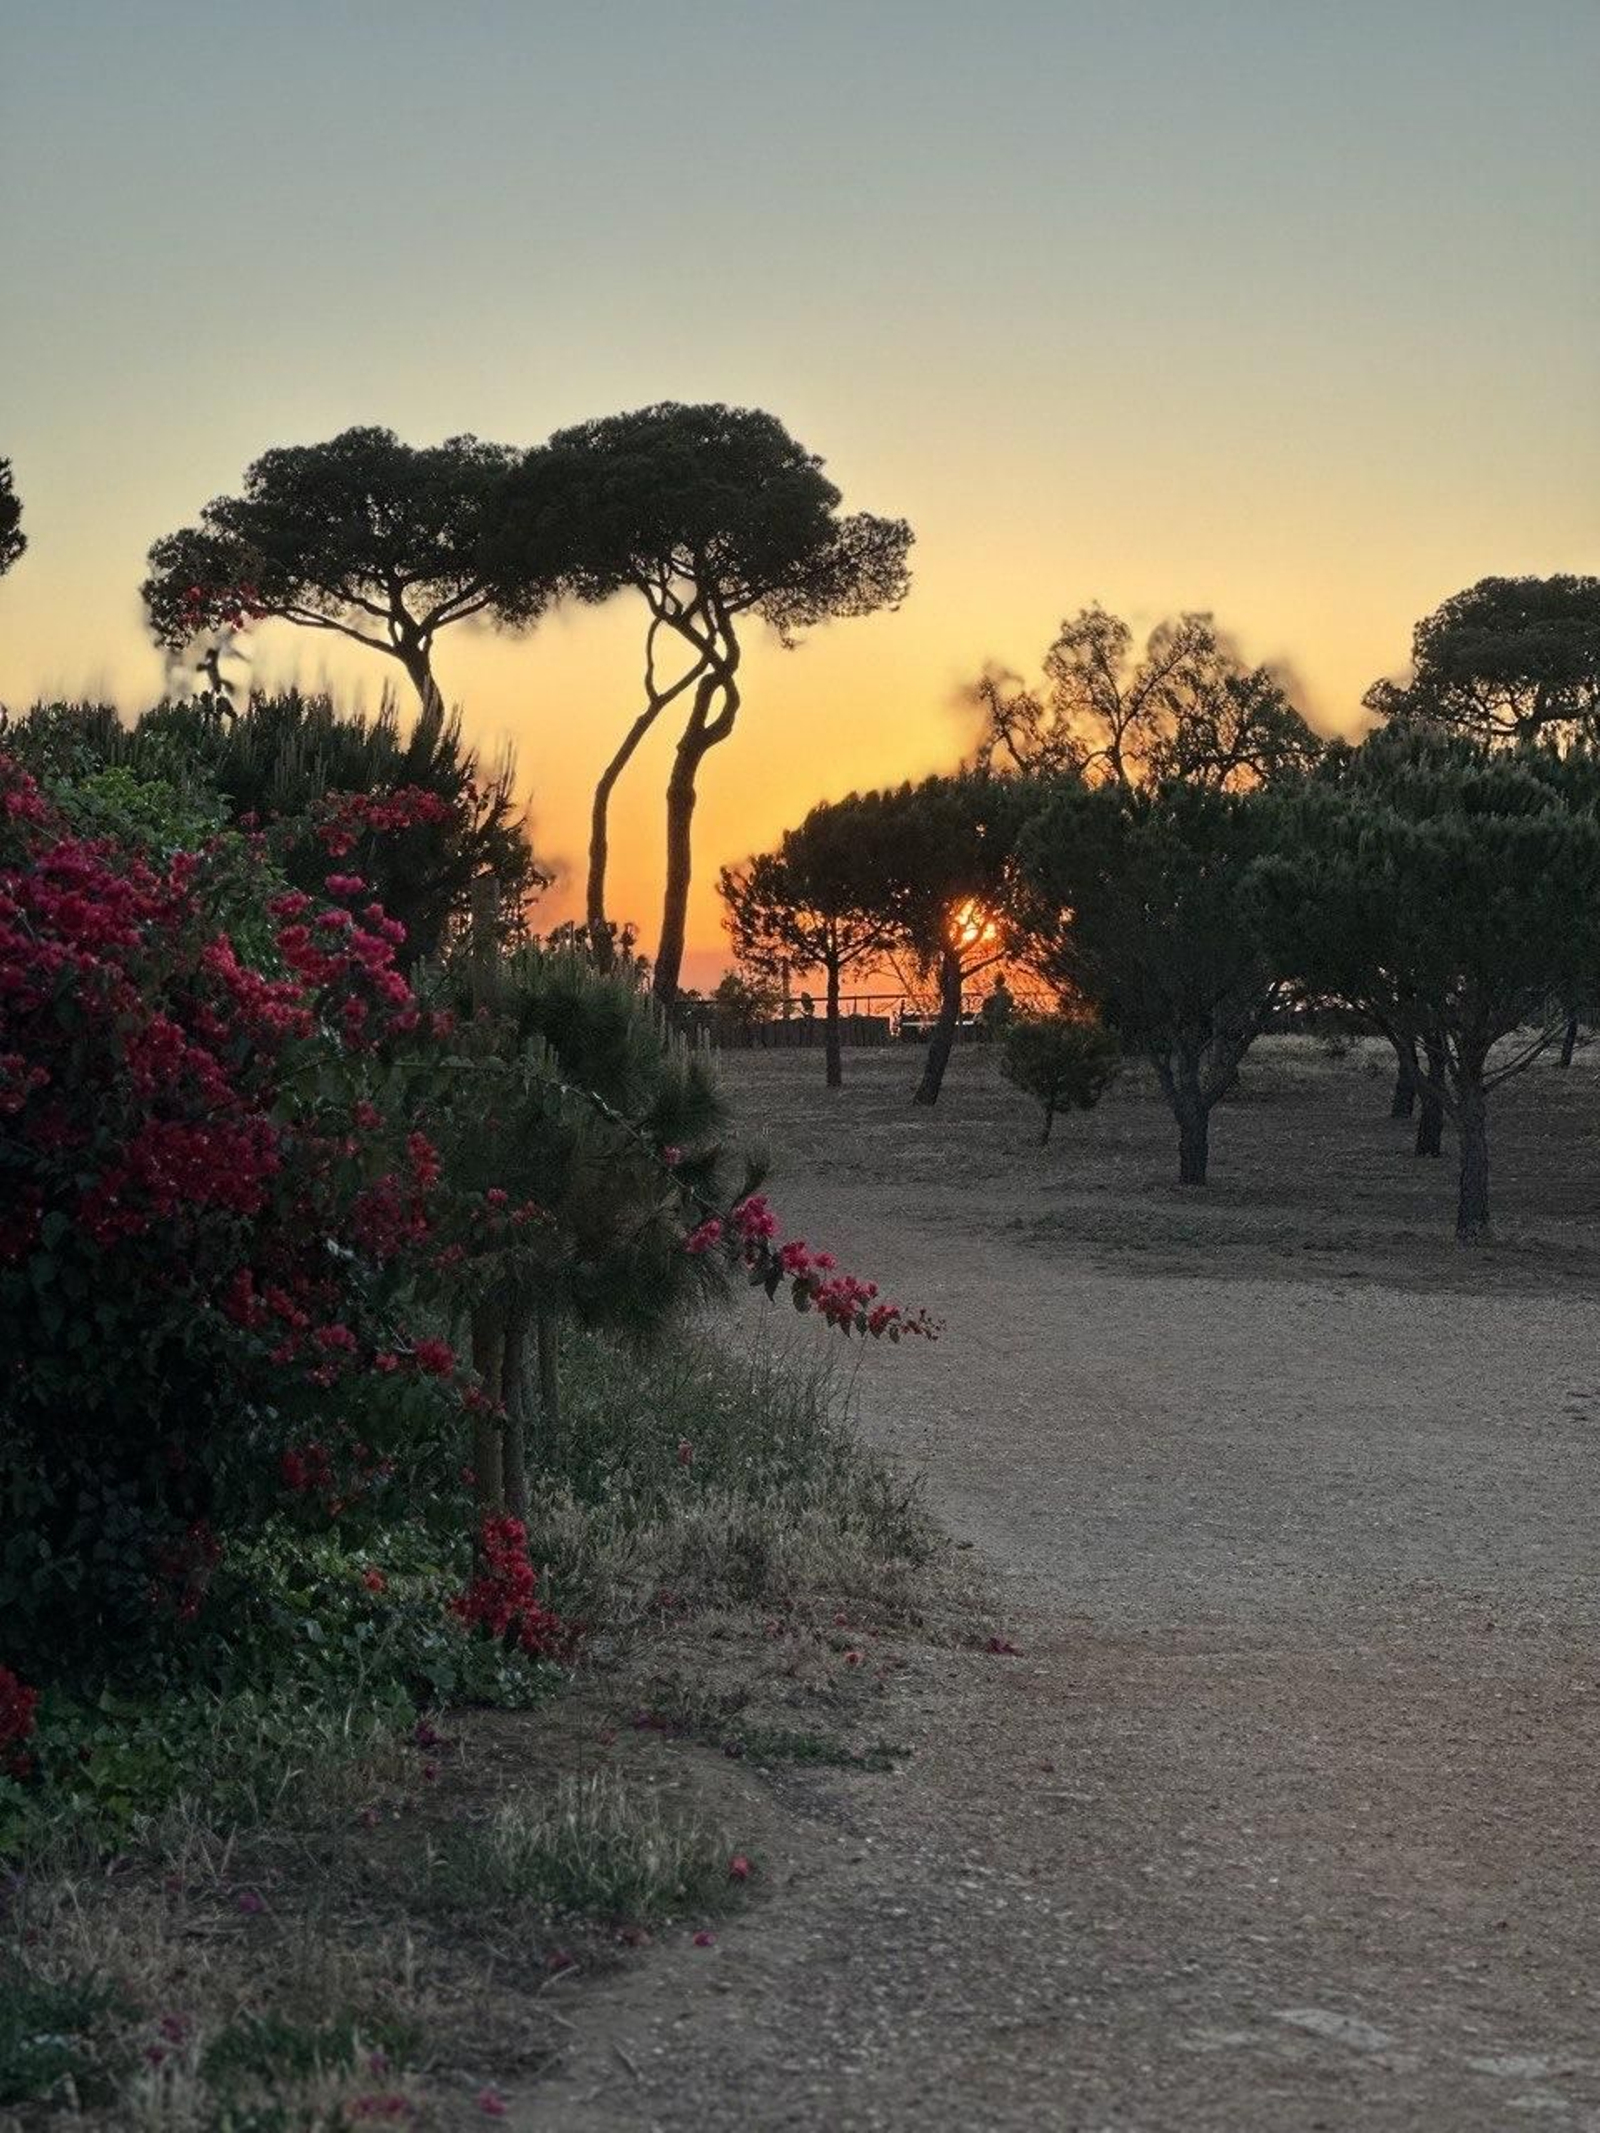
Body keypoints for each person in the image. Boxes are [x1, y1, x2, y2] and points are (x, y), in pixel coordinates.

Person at [980, 975, 1014, 1041]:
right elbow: (1011, 1003)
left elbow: (985, 1004)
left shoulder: (991, 992)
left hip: (994, 1015)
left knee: (983, 1019)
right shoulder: (1007, 993)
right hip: (1004, 1014)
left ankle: (987, 1038)